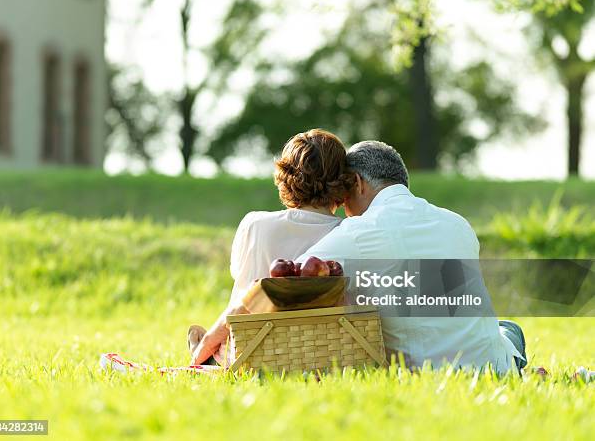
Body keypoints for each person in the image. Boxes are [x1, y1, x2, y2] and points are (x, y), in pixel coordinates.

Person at [192, 140, 527, 374]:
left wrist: (207, 344)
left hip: (428, 370)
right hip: (495, 365)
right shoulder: (458, 225)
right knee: (507, 328)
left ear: (356, 183)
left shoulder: (358, 234)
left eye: (344, 192)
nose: (343, 205)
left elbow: (269, 289)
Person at [189, 128, 354, 364]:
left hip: (248, 352)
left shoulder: (254, 223)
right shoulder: (348, 233)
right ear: (343, 182)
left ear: (286, 176)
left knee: (211, 340)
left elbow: (239, 276)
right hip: (316, 352)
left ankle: (206, 351)